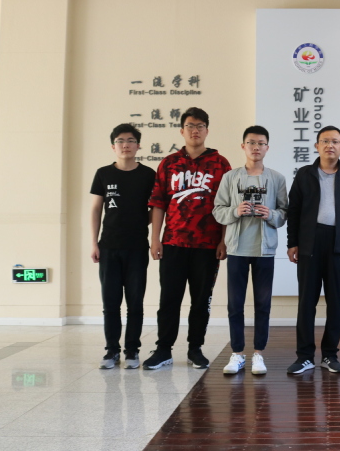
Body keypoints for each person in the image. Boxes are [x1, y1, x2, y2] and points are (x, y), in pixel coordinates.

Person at [142, 107, 232, 370]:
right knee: (169, 299)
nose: (195, 130)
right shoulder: (169, 163)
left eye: (200, 126)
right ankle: (163, 349)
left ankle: (195, 348)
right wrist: (155, 239)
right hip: (173, 243)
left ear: (207, 130)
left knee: (201, 300)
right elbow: (158, 203)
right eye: (190, 126)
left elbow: (226, 206)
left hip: (207, 245)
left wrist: (223, 240)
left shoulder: (220, 163)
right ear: (182, 131)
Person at [286, 126, 340, 374]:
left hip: (339, 242)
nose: (330, 145)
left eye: (335, 141)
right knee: (306, 302)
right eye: (325, 141)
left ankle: (330, 355)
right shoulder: (305, 174)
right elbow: (294, 211)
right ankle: (304, 356)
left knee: (336, 302)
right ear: (317, 146)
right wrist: (292, 242)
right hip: (309, 242)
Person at [213, 125, 288, 375]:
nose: (256, 147)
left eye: (261, 143)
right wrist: (235, 211)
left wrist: (271, 214)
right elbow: (218, 210)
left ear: (267, 147)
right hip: (236, 248)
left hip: (264, 249)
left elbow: (284, 213)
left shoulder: (277, 178)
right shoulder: (230, 177)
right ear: (243, 146)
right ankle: (237, 353)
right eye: (251, 143)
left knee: (263, 304)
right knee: (235, 304)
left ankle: (258, 354)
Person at [90, 124, 156, 369]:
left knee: (135, 303)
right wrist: (94, 243)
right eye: (120, 141)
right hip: (108, 247)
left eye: (130, 140)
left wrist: (140, 223)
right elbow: (96, 209)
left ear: (138, 145)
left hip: (137, 247)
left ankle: (132, 351)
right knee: (110, 303)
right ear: (113, 146)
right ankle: (111, 351)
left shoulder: (148, 174)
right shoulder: (103, 173)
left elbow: (156, 208)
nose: (125, 145)